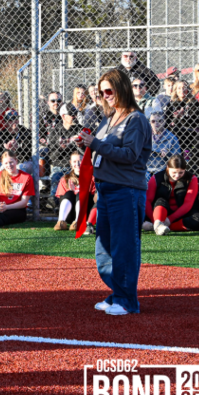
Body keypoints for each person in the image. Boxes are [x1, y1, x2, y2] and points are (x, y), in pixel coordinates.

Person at [78, 68, 152, 316]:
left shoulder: (136, 119)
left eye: (108, 91)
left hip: (126, 190)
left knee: (124, 246)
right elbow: (101, 149)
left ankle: (127, 301)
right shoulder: (110, 118)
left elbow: (130, 155)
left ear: (121, 89)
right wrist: (84, 144)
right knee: (104, 248)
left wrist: (96, 144)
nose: (104, 96)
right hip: (106, 189)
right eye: (100, 93)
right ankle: (118, 293)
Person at [144, 156, 199, 236]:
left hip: (181, 213)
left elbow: (188, 204)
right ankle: (157, 224)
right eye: (174, 172)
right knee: (161, 200)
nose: (177, 175)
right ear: (167, 168)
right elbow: (148, 201)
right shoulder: (156, 178)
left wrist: (169, 220)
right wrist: (154, 220)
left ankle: (162, 227)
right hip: (161, 212)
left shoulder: (191, 178)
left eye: (181, 172)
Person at [53, 152, 87, 230]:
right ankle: (61, 222)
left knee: (81, 194)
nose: (77, 164)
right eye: (74, 161)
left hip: (85, 213)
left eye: (80, 160)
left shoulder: (91, 178)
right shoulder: (65, 178)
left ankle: (78, 221)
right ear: (70, 163)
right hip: (69, 214)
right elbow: (60, 198)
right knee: (69, 193)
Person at [147, 111, 181, 176]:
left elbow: (178, 159)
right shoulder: (145, 137)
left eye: (160, 121)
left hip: (163, 169)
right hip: (146, 168)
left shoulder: (172, 138)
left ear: (164, 122)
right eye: (153, 121)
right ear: (150, 123)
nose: (156, 124)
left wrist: (168, 153)